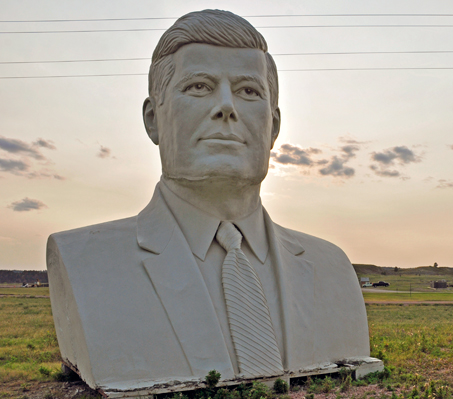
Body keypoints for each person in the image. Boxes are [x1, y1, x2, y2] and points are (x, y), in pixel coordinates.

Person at [46, 10, 373, 395]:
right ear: (153, 119)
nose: (226, 106)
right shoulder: (87, 260)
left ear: (274, 126)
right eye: (199, 86)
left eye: (249, 91)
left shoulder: (331, 266)